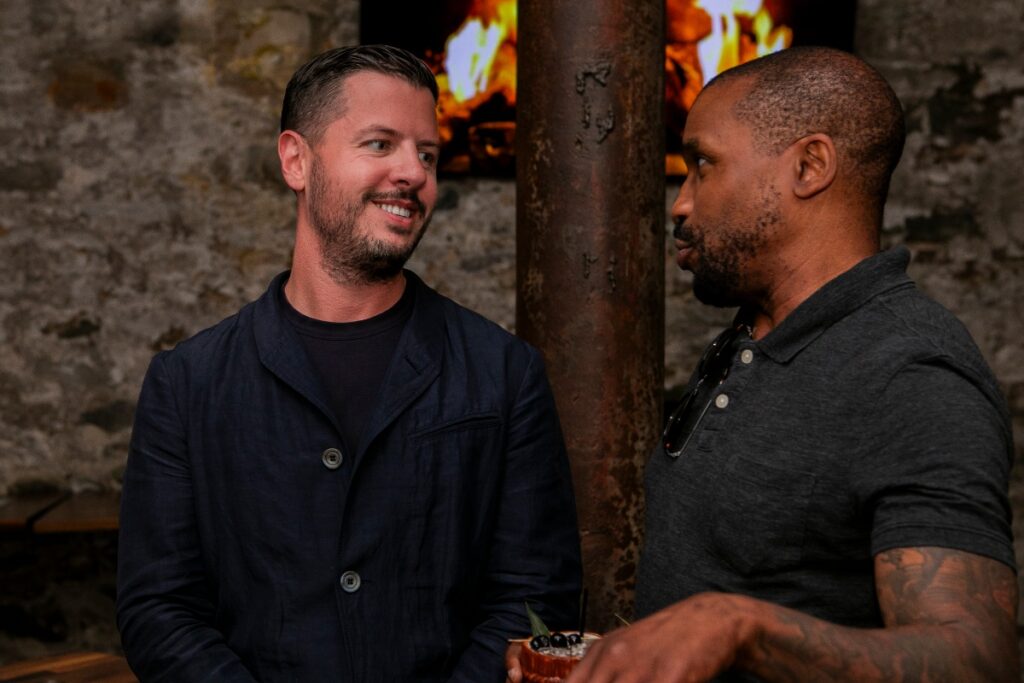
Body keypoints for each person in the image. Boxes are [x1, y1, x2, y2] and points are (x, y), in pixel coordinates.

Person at [507, 46, 1018, 682]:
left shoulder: (912, 372)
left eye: (703, 164)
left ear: (809, 165)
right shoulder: (751, 333)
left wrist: (739, 626)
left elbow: (977, 661)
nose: (680, 203)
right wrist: (622, 655)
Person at [117, 45, 582, 682]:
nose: (412, 173)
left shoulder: (504, 373)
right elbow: (159, 610)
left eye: (427, 153)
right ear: (296, 160)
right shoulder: (188, 384)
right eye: (379, 144)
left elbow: (534, 598)